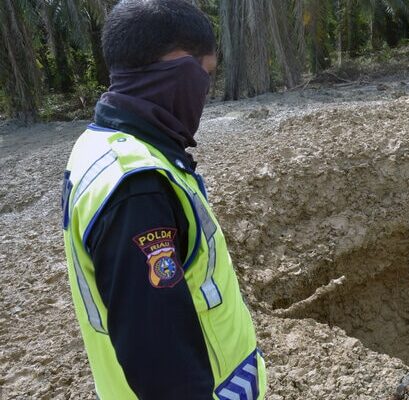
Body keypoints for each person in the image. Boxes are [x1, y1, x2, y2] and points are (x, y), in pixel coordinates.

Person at [60, 0, 266, 398]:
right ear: (180, 67)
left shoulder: (99, 145)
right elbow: (160, 360)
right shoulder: (138, 188)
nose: (204, 94)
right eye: (205, 76)